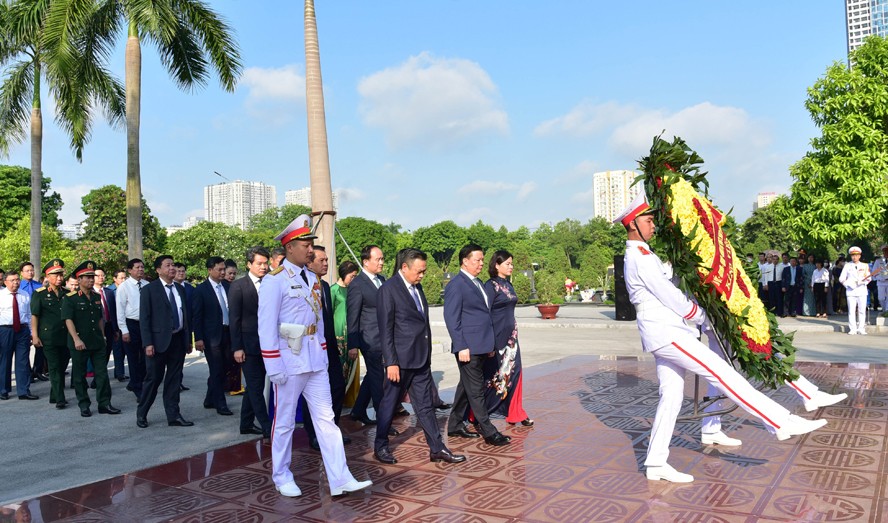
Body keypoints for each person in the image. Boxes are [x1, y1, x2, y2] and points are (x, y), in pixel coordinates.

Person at [616, 193, 827, 483]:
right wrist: (700, 315)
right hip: (667, 331)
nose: (653, 226)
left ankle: (655, 463)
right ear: (632, 225)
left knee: (671, 397)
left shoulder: (644, 254)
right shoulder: (638, 258)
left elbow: (669, 278)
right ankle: (779, 421)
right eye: (648, 221)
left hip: (662, 331)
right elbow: (669, 295)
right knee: (722, 373)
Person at [258, 214, 371, 497]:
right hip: (288, 361)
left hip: (314, 360)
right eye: (305, 243)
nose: (311, 249)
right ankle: (282, 475)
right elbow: (266, 327)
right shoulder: (275, 281)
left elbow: (319, 322)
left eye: (311, 243)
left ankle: (340, 477)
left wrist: (322, 352)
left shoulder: (313, 279)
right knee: (283, 423)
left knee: (327, 420)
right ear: (289, 247)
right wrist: (273, 365)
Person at [374, 248, 466, 465]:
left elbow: (422, 322)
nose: (422, 275)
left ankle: (437, 448)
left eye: (424, 271)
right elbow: (385, 330)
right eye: (419, 271)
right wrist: (391, 362)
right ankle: (380, 446)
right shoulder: (389, 290)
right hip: (400, 361)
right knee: (389, 404)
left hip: (420, 359)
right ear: (404, 267)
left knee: (425, 405)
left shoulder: (417, 287)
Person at [445, 244, 511, 447]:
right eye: (477, 260)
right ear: (465, 261)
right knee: (476, 390)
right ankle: (489, 431)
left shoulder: (478, 283)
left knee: (466, 386)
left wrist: (490, 343)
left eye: (483, 260)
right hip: (468, 348)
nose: (482, 264)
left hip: (482, 345)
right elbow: (451, 318)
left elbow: (483, 315)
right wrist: (461, 345)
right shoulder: (457, 284)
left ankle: (455, 424)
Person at [301, 245, 349, 451]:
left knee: (338, 389)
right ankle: (313, 434)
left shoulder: (326, 287)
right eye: (322, 260)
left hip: (329, 349)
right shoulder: (302, 286)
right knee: (311, 395)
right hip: (309, 350)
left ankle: (331, 431)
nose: (326, 264)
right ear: (309, 262)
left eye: (327, 260)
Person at [136, 255, 193, 429]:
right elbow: (144, 318)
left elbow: (185, 315)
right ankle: (142, 413)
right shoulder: (149, 290)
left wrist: (188, 339)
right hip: (158, 342)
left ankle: (173, 415)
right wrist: (148, 343)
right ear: (158, 270)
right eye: (168, 265)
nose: (172, 268)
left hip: (177, 340)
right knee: (153, 379)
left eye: (173, 265)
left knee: (174, 380)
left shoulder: (180, 288)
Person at [62, 261, 120, 417]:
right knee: (80, 376)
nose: (90, 280)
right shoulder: (70, 298)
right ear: (79, 280)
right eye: (86, 277)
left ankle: (104, 403)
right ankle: (84, 404)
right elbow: (68, 320)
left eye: (92, 277)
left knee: (102, 374)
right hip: (80, 342)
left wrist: (102, 335)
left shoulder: (96, 296)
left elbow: (100, 318)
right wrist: (76, 339)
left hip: (97, 341)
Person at [483, 250, 533, 427]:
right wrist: (487, 342)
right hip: (496, 339)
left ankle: (516, 412)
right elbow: (485, 314)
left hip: (511, 338)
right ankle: (478, 413)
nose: (511, 266)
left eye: (512, 263)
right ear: (496, 265)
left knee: (515, 371)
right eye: (507, 264)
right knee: (493, 376)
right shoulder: (490, 286)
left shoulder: (509, 285)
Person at [230, 246, 271, 438]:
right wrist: (237, 347)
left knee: (255, 385)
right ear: (249, 264)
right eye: (259, 263)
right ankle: (266, 426)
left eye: (266, 263)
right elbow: (234, 320)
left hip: (268, 344)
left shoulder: (271, 282)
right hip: (248, 346)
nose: (263, 267)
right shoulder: (238, 286)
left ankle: (245, 424)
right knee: (255, 387)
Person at [347, 245, 386, 425]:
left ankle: (358, 410)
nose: (381, 262)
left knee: (373, 375)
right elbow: (352, 316)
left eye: (382, 259)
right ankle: (383, 418)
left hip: (384, 337)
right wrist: (353, 344)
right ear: (365, 261)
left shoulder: (382, 280)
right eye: (377, 259)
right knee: (378, 379)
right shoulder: (357, 284)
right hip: (369, 339)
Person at [192, 256, 233, 416]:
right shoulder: (201, 290)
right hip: (211, 337)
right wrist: (199, 338)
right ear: (210, 270)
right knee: (216, 369)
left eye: (224, 269)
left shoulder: (228, 287)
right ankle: (220, 403)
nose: (223, 272)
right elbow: (197, 316)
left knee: (225, 367)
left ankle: (210, 398)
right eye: (220, 269)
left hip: (228, 333)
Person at [31, 259, 70, 408]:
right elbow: (35, 316)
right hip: (49, 337)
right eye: (55, 275)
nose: (59, 278)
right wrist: (35, 335)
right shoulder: (39, 294)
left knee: (62, 366)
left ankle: (54, 395)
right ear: (47, 276)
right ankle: (60, 398)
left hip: (65, 336)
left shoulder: (68, 294)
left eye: (61, 275)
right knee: (53, 367)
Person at [0, 270, 37, 400]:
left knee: (23, 360)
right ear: (5, 282)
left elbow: (28, 315)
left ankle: (23, 391)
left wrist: (32, 333)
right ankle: (3, 390)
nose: (16, 282)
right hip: (5, 330)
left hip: (22, 330)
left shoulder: (25, 294)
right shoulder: (1, 295)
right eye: (12, 280)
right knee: (5, 359)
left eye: (17, 280)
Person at [116, 259, 150, 400]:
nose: (140, 270)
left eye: (142, 267)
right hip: (132, 325)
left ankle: (137, 382)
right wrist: (124, 330)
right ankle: (137, 388)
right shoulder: (124, 287)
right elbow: (120, 310)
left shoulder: (147, 285)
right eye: (137, 267)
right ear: (130, 270)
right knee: (133, 357)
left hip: (146, 325)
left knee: (146, 357)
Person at [331, 260, 360, 406]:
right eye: (352, 276)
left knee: (352, 366)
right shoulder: (333, 290)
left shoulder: (354, 290)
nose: (354, 279)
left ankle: (349, 398)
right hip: (338, 335)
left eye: (356, 276)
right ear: (343, 274)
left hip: (353, 333)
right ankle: (337, 398)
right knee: (340, 367)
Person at [93, 269, 123, 382]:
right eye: (98, 275)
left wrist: (116, 329)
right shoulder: (89, 292)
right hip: (96, 327)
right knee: (98, 353)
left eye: (103, 275)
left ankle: (98, 378)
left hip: (109, 326)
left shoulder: (109, 292)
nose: (101, 277)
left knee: (107, 352)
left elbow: (113, 312)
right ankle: (98, 377)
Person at [840, 246, 877, 336]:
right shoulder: (847, 265)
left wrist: (862, 282)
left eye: (856, 255)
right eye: (853, 255)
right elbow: (842, 279)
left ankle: (861, 328)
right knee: (851, 311)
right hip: (851, 291)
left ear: (859, 256)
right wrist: (849, 284)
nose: (854, 257)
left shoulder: (864, 266)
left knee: (861, 311)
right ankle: (852, 329)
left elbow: (869, 278)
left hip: (861, 291)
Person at [874, 245, 888, 312]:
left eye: (887, 251)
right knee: (881, 298)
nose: (886, 252)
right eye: (885, 251)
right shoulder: (878, 261)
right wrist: (880, 278)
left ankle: (887, 312)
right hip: (881, 282)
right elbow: (874, 272)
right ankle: (884, 310)